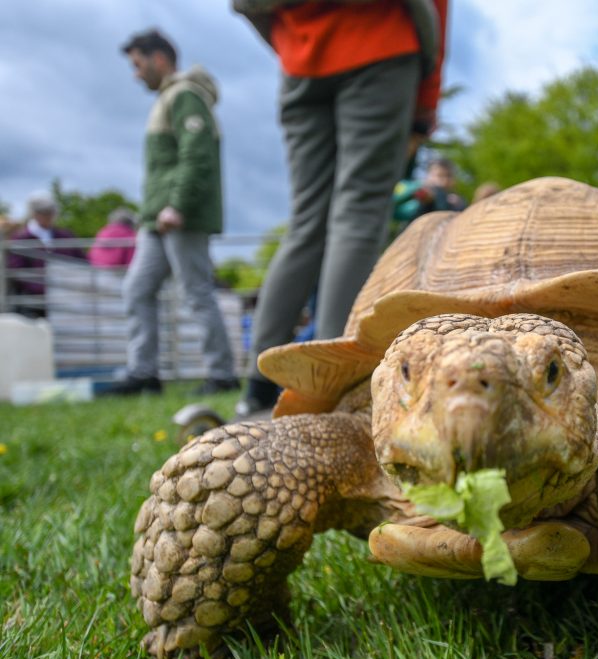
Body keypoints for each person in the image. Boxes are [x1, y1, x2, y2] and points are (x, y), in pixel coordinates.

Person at [232, 0, 448, 415]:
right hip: (381, 41)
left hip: (300, 55)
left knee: (307, 222)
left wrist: (297, 41)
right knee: (359, 213)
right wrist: (426, 101)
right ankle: (327, 387)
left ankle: (257, 386)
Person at [108, 29, 239, 396]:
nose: (136, 74)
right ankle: (144, 372)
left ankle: (222, 373)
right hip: (155, 220)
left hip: (179, 216)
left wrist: (178, 204)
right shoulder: (166, 99)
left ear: (159, 59)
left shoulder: (185, 96)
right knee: (137, 289)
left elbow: (196, 156)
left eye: (138, 65)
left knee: (196, 291)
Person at [5, 191, 86, 318]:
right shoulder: (21, 238)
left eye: (50, 212)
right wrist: (43, 289)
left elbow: (81, 260)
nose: (48, 216)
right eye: (44, 212)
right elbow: (17, 271)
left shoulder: (65, 236)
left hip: (65, 297)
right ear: (34, 214)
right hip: (33, 301)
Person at [393, 156, 467, 224]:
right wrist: (417, 194)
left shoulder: (457, 201)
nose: (444, 181)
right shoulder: (416, 189)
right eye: (439, 175)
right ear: (428, 177)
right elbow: (395, 209)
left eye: (448, 176)